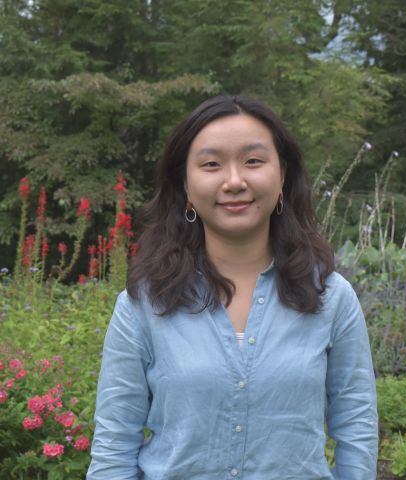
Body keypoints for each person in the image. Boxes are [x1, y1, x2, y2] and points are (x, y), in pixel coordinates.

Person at [87, 95, 378, 479]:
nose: (235, 181)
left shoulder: (331, 298)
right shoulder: (144, 304)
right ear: (185, 185)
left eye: (253, 161)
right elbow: (114, 443)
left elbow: (356, 425)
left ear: (283, 176)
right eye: (211, 164)